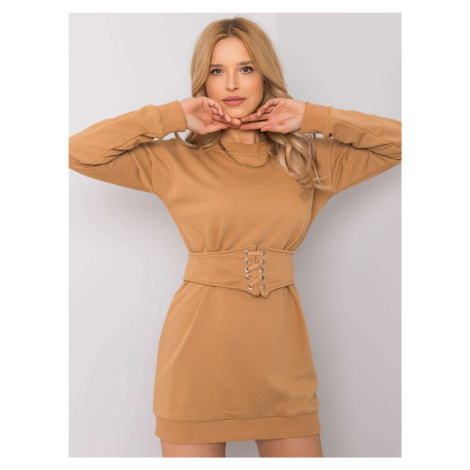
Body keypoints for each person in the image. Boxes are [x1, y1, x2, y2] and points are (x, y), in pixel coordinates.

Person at [69, 17, 401, 458]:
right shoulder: (175, 160)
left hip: (282, 360)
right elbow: (78, 153)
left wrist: (314, 117)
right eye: (216, 70)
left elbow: (403, 143)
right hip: (196, 357)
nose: (231, 84)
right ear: (203, 81)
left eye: (246, 68)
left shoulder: (308, 159)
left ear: (265, 76)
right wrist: (171, 115)